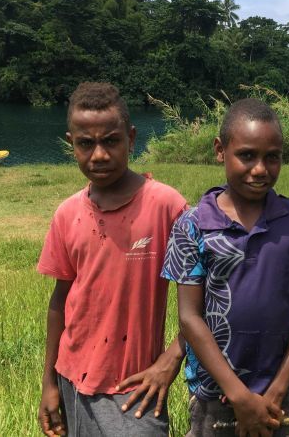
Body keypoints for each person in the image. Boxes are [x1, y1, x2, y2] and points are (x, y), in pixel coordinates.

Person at [161, 98, 289, 437]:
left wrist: (279, 388)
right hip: (215, 392)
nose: (260, 169)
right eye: (247, 155)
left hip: (284, 392)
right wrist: (238, 395)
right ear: (220, 150)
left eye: (273, 157)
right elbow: (190, 317)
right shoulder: (192, 226)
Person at [37, 82, 188, 436]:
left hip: (136, 388)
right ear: (71, 143)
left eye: (111, 140)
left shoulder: (166, 207)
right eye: (85, 144)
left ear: (131, 138)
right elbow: (60, 301)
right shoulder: (67, 213)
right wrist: (49, 383)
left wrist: (170, 359)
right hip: (73, 379)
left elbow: (205, 296)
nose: (99, 155)